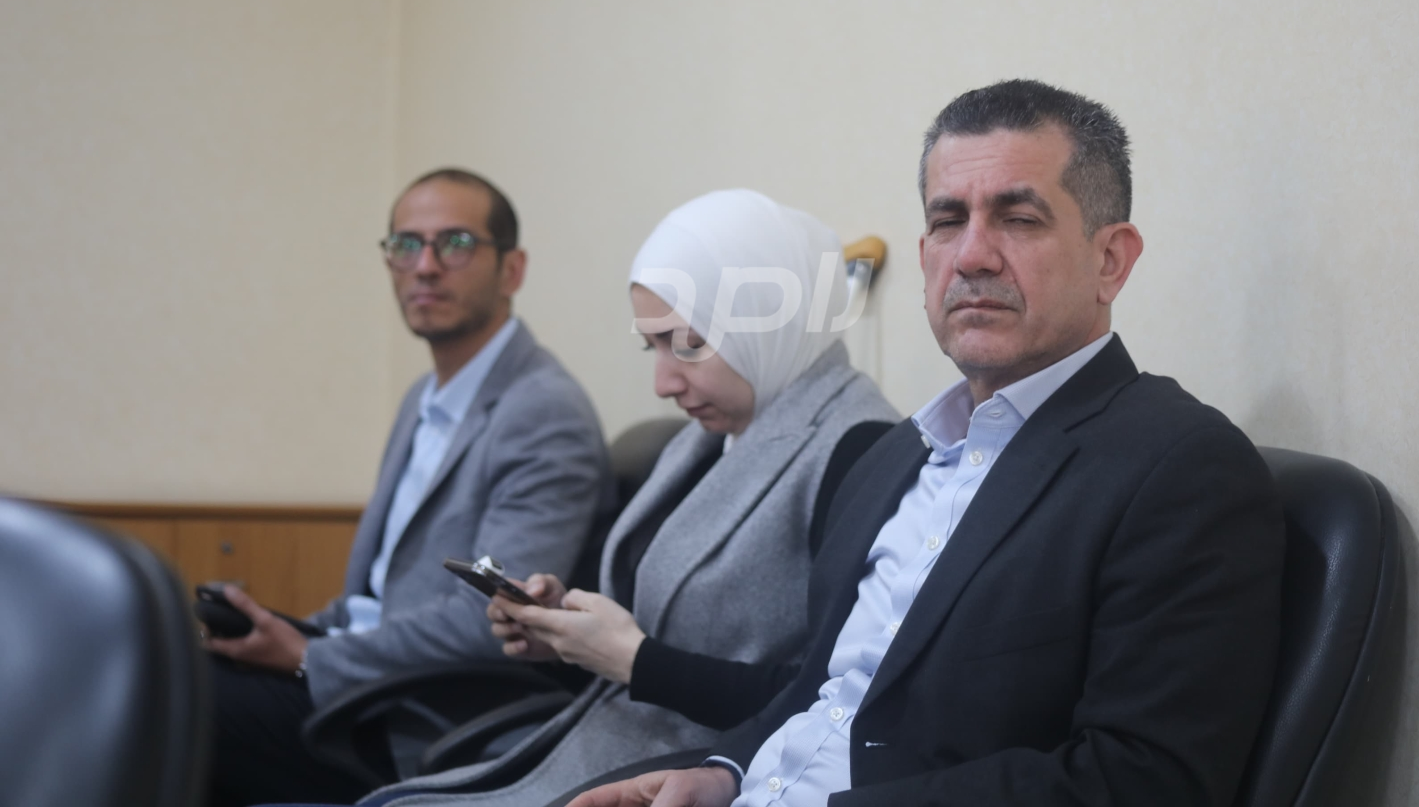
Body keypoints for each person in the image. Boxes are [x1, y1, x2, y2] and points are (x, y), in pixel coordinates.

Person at [567, 80, 1287, 807]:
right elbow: (822, 692)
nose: (972, 256)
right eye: (948, 222)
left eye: (1019, 218)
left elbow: (1143, 780)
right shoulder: (891, 459)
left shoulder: (1179, 469)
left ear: (1111, 261)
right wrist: (720, 774)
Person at [334, 189, 899, 807]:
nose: (663, 383)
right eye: (652, 346)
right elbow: (667, 632)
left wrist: (634, 660)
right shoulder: (717, 435)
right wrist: (567, 636)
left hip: (697, 779)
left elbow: (831, 700)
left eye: (688, 344)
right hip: (612, 746)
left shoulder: (857, 450)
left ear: (764, 322)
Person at [207, 168, 611, 807]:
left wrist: (311, 657)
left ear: (512, 270)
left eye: (455, 244)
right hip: (363, 683)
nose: (425, 266)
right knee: (176, 664)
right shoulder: (424, 398)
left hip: (419, 720)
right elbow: (375, 598)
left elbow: (495, 617)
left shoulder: (542, 410)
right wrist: (280, 632)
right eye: (405, 245)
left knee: (168, 702)